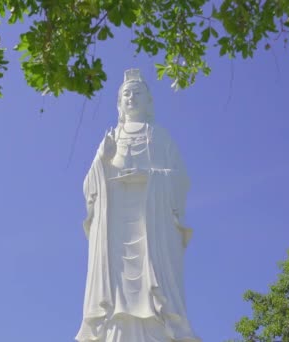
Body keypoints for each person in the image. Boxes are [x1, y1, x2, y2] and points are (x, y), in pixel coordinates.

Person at [75, 69, 200, 342]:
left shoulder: (160, 137)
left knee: (154, 290)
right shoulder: (111, 137)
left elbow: (180, 179)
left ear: (148, 100)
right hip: (115, 222)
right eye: (126, 94)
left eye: (137, 92)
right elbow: (89, 187)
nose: (131, 97)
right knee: (114, 292)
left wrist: (150, 178)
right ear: (119, 103)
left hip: (152, 222)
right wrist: (102, 160)